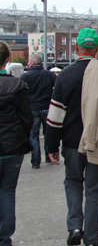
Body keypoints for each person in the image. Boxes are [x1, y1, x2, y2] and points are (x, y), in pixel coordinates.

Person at [46, 28, 98, 246]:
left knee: (72, 182)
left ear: (77, 47)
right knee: (94, 190)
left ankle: (74, 226)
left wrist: (51, 145)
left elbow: (55, 116)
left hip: (72, 143)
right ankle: (91, 239)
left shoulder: (65, 75)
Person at [0, 41, 33, 246]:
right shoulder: (18, 85)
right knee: (7, 191)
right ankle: (4, 238)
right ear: (8, 59)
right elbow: (27, 118)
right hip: (12, 147)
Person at [20, 53, 57, 169]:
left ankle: (35, 162)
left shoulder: (25, 77)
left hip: (33, 109)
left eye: (29, 61)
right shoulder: (49, 75)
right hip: (47, 108)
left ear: (32, 62)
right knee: (48, 133)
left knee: (34, 135)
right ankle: (48, 156)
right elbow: (57, 86)